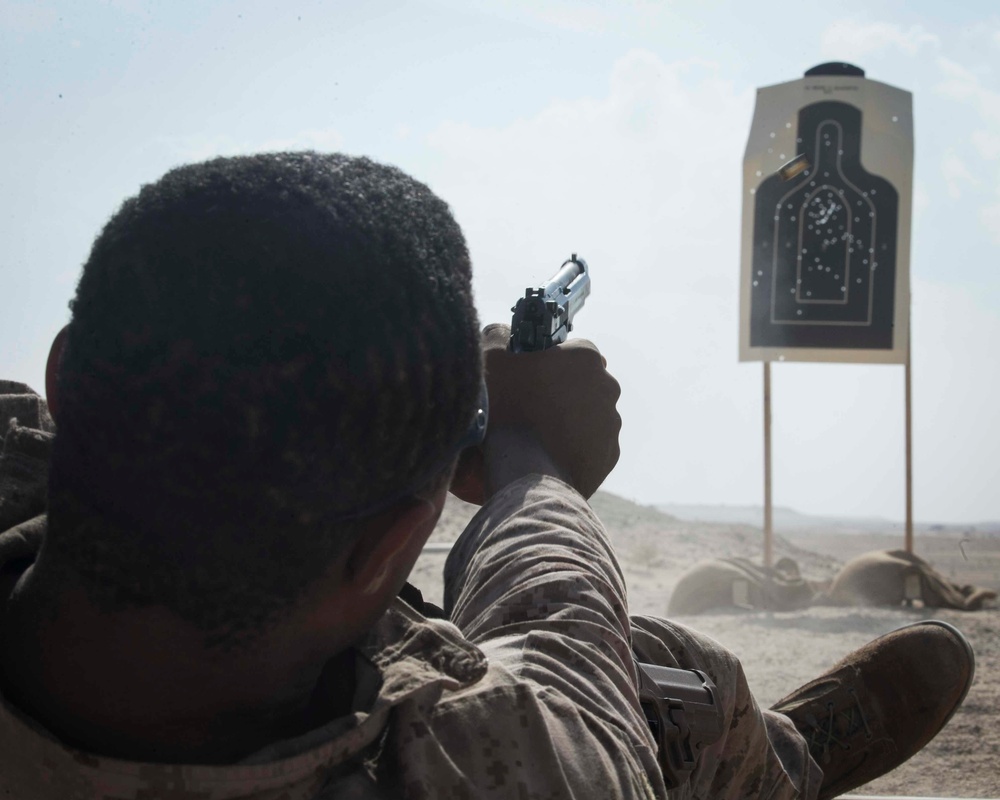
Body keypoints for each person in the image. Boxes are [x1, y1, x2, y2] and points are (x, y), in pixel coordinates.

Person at [0, 152, 975, 800]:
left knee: (660, 658)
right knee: (665, 682)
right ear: (389, 545)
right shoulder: (499, 760)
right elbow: (564, 626)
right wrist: (532, 460)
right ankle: (784, 766)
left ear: (63, 379)